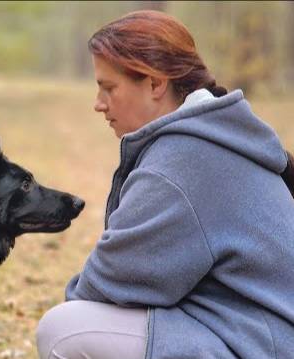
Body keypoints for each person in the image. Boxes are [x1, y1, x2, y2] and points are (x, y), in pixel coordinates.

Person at [36, 10, 294, 359]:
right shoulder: (212, 136)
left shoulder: (181, 162)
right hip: (256, 332)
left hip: (259, 345)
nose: (98, 104)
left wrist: (77, 295)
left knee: (64, 330)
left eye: (108, 88)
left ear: (156, 84)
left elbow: (105, 284)